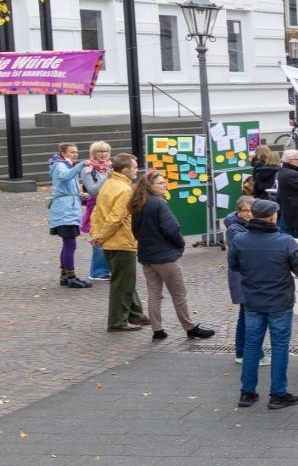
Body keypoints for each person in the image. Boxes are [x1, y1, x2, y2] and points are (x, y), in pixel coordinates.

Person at [229, 199, 298, 410]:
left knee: (252, 346)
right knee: (280, 347)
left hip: (253, 299)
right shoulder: (285, 241)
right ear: (273, 217)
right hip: (279, 300)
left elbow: (234, 265)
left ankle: (247, 392)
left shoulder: (240, 240)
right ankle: (278, 393)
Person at [129, 170, 214, 342]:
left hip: (147, 256)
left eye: (164, 182)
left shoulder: (139, 204)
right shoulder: (159, 203)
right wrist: (180, 244)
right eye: (160, 183)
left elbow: (135, 231)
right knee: (179, 294)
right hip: (165, 257)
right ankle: (190, 327)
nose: (164, 185)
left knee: (154, 294)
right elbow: (172, 228)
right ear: (150, 186)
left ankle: (157, 330)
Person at [90, 153, 147, 331]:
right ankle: (117, 321)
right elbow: (116, 218)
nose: (136, 169)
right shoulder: (124, 189)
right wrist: (99, 237)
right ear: (125, 169)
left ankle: (136, 314)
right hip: (121, 241)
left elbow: (97, 212)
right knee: (122, 283)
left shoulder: (109, 183)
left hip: (112, 241)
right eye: (134, 167)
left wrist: (98, 234)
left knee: (125, 280)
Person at [224, 196, 270, 366]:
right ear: (239, 211)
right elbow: (248, 249)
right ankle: (253, 353)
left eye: (252, 211)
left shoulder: (246, 226)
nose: (249, 214)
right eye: (245, 211)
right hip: (244, 278)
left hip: (248, 276)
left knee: (245, 316)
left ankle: (242, 352)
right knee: (251, 316)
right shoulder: (235, 229)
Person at [48, 143, 92, 289]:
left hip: (68, 209)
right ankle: (71, 277)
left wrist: (81, 195)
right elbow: (65, 177)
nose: (76, 155)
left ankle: (64, 276)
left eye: (77, 152)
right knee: (70, 244)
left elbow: (68, 187)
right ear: (63, 153)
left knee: (68, 244)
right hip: (64, 211)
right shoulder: (60, 166)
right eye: (72, 152)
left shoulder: (66, 165)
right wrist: (80, 166)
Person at [80, 141, 112, 282]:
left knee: (112, 236)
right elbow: (92, 190)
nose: (103, 154)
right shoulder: (88, 170)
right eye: (100, 151)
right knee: (99, 238)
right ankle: (98, 271)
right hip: (96, 208)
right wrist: (107, 177)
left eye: (105, 151)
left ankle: (110, 268)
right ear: (93, 154)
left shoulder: (111, 167)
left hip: (112, 206)